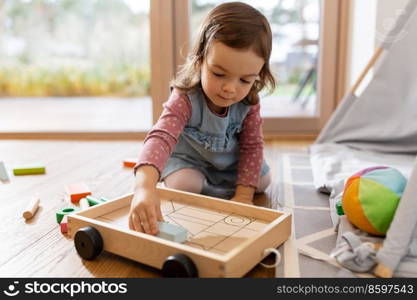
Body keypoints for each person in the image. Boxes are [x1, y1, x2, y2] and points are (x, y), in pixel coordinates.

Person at [129, 2, 276, 235]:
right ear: (199, 62)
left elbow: (252, 146)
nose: (229, 88)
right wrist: (144, 188)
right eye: (219, 74)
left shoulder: (249, 103)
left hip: (229, 165)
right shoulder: (185, 97)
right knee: (182, 185)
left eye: (245, 80)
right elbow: (161, 136)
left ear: (258, 76)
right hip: (191, 162)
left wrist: (243, 196)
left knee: (263, 181)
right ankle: (212, 188)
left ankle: (221, 187)